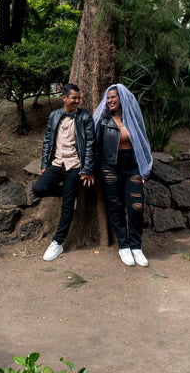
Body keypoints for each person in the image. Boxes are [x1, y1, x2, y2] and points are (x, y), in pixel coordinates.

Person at [33, 83, 95, 261]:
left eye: (78, 98)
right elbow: (47, 141)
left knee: (67, 205)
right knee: (39, 189)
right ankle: (69, 193)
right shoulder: (54, 116)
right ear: (64, 98)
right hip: (56, 163)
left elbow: (90, 144)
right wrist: (45, 164)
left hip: (75, 165)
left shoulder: (85, 118)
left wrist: (88, 168)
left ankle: (57, 243)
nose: (77, 101)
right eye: (74, 98)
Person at [93, 83, 152, 267]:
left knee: (136, 206)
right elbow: (95, 146)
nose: (110, 100)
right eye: (108, 97)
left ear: (122, 99)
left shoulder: (132, 119)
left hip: (132, 166)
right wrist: (92, 170)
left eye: (113, 97)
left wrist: (145, 168)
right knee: (116, 205)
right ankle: (124, 246)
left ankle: (136, 246)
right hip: (110, 166)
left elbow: (143, 143)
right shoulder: (103, 121)